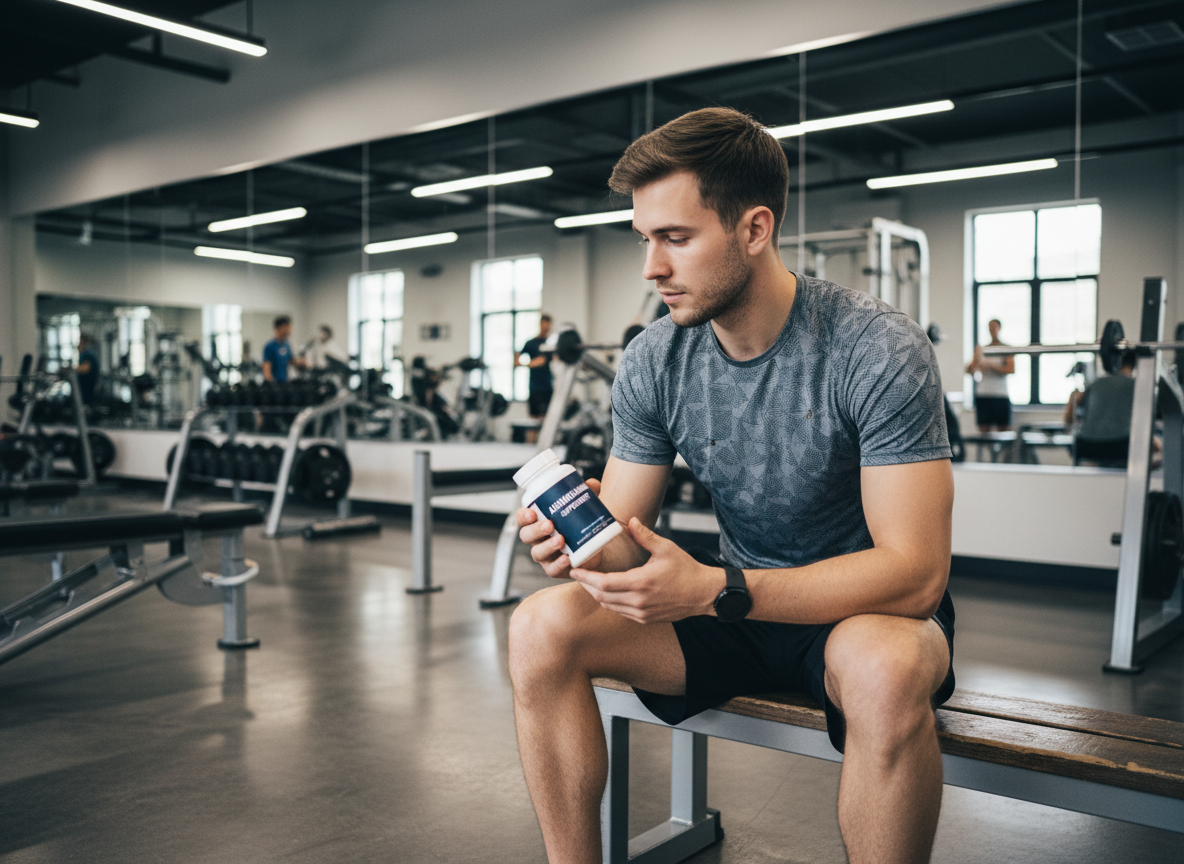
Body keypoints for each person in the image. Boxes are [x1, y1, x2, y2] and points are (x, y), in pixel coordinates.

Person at [509, 107, 955, 864]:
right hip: (729, 607)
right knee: (539, 627)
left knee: (886, 668)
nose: (652, 268)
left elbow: (914, 575)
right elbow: (620, 531)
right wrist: (578, 542)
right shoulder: (656, 360)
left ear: (754, 229)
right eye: (644, 240)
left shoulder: (874, 347)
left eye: (676, 239)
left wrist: (717, 589)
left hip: (857, 615)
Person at [1064, 353, 1137, 467]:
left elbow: (1067, 420)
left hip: (1087, 445)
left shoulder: (1096, 383)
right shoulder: (1135, 385)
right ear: (1134, 365)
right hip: (1121, 446)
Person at [966, 319, 1014, 432]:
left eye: (994, 327)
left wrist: (992, 367)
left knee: (1004, 430)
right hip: (983, 394)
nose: (992, 330)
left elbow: (1011, 369)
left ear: (999, 328)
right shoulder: (981, 349)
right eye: (990, 327)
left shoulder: (1006, 348)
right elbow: (969, 370)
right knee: (984, 432)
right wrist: (976, 365)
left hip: (1000, 394)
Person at [515, 315, 554, 442]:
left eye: (549, 325)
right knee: (533, 419)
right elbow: (516, 361)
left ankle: (545, 446)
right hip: (534, 387)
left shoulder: (550, 345)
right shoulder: (530, 343)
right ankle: (530, 448)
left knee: (547, 419)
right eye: (545, 324)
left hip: (548, 386)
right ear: (541, 324)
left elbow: (548, 360)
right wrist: (530, 364)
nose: (547, 328)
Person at [261, 315, 306, 383]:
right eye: (288, 327)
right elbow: (266, 368)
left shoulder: (287, 345)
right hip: (274, 385)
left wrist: (301, 363)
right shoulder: (269, 346)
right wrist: (270, 385)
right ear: (280, 327)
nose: (290, 331)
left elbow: (291, 360)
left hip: (284, 382)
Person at [74, 333, 100, 405]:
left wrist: (71, 370)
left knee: (86, 402)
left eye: (79, 342)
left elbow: (85, 368)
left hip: (87, 385)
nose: (77, 346)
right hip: (85, 385)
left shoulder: (87, 354)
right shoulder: (85, 355)